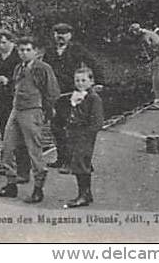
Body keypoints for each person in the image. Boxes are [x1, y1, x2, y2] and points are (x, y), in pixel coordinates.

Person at [0, 36, 60, 204]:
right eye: (21, 50)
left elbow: (53, 92)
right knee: (7, 148)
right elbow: (15, 88)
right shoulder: (18, 68)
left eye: (28, 50)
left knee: (34, 151)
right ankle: (11, 184)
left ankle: (38, 189)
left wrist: (45, 110)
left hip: (32, 112)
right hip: (16, 111)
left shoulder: (43, 68)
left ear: (36, 52)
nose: (24, 53)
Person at [43, 23, 103, 172]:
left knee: (71, 127)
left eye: (64, 33)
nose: (60, 36)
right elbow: (43, 71)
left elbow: (94, 64)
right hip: (55, 94)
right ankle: (62, 158)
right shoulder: (50, 52)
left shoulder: (77, 49)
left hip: (73, 93)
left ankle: (73, 162)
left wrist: (98, 83)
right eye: (57, 33)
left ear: (70, 35)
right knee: (56, 127)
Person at [0, 28, 30, 183]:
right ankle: (7, 165)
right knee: (5, 135)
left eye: (4, 42)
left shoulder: (17, 56)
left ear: (11, 42)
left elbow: (23, 78)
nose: (1, 45)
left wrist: (9, 81)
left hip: (15, 101)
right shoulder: (1, 57)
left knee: (19, 136)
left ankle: (22, 170)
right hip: (2, 100)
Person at [63, 67, 104, 209]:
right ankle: (87, 193)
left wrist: (86, 133)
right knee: (79, 161)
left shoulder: (93, 98)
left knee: (81, 162)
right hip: (74, 134)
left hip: (85, 135)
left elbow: (98, 122)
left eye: (83, 80)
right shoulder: (77, 95)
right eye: (77, 80)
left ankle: (83, 196)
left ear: (91, 81)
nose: (80, 83)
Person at [129, 23, 159, 110]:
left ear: (136, 31)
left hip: (158, 58)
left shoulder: (145, 36)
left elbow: (151, 49)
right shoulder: (149, 33)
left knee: (158, 80)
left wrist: (147, 59)